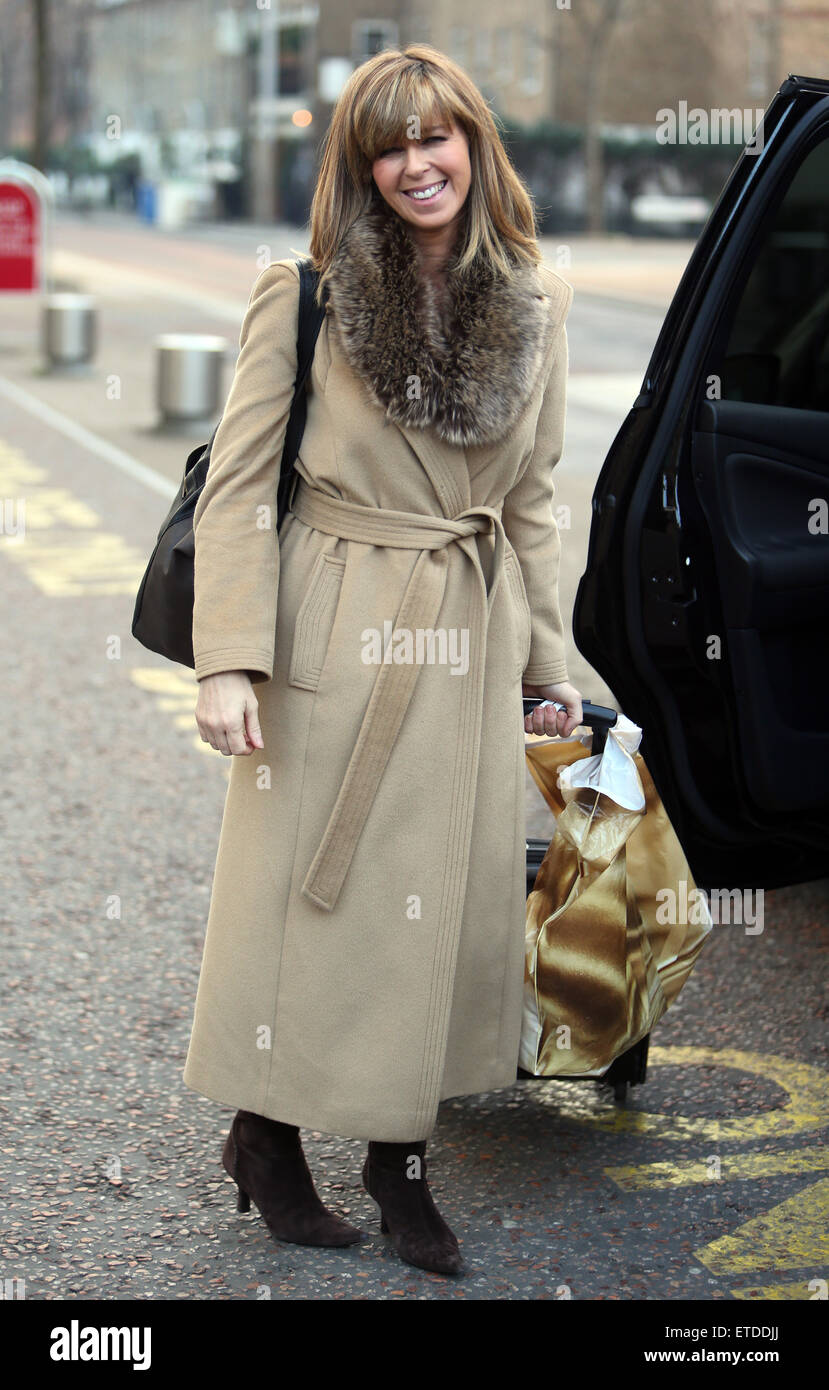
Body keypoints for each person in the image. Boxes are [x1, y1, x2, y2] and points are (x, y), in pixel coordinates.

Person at [184, 42, 583, 1278]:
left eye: (437, 137)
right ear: (363, 167)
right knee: (304, 911)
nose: (419, 164)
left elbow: (532, 503)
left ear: (473, 142)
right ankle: (268, 1131)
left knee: (436, 924)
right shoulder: (299, 290)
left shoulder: (534, 296)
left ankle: (399, 1161)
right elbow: (243, 485)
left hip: (461, 638)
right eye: (390, 145)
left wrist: (550, 659)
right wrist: (228, 661)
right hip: (330, 620)